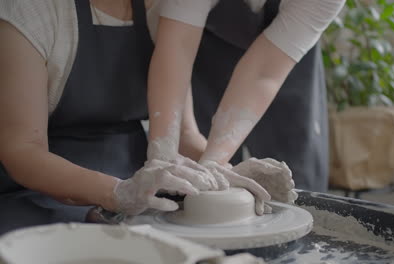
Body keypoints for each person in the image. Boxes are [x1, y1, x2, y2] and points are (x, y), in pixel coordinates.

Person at [0, 0, 343, 235]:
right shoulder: (32, 11)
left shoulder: (158, 10)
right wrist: (116, 192)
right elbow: (22, 151)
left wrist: (221, 170)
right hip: (37, 189)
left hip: (135, 183)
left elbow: (183, 136)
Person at [192, 0, 331, 192]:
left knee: (294, 177)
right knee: (198, 170)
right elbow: (175, 42)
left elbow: (264, 74)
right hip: (208, 40)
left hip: (289, 47)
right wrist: (210, 161)